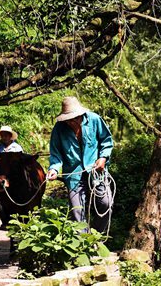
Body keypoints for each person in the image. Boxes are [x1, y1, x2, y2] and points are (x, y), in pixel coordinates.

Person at [47, 96, 114, 234]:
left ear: (81, 115)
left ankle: (95, 237)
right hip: (73, 174)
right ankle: (82, 245)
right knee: (77, 212)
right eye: (69, 119)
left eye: (75, 118)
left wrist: (102, 158)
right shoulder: (59, 128)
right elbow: (56, 153)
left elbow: (106, 141)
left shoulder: (94, 120)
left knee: (106, 204)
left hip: (96, 171)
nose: (72, 122)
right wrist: (54, 168)